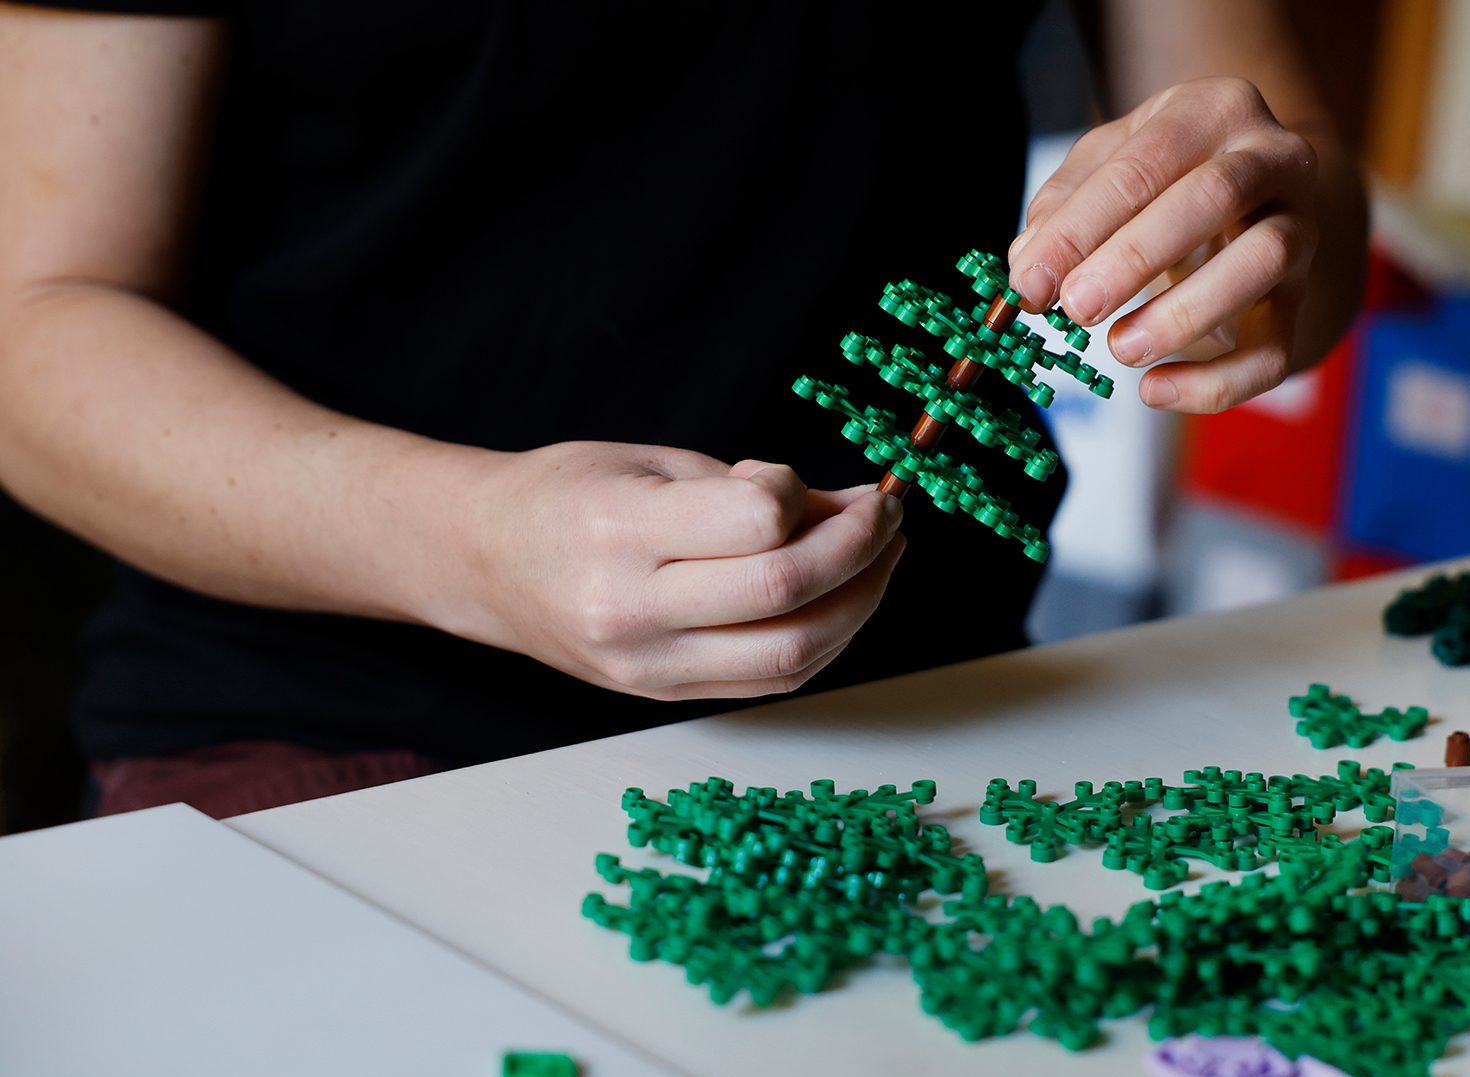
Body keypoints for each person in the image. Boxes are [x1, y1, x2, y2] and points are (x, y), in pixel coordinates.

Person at [0, 1, 1366, 817]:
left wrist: (1271, 216)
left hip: (943, 716)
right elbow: (34, 328)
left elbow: (1274, 142)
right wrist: (476, 544)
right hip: (327, 711)